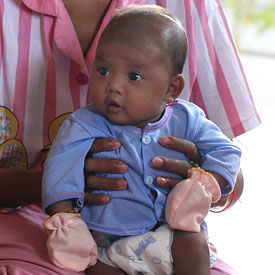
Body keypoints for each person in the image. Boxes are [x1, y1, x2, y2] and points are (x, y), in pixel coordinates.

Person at [0, 0, 260, 274]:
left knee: (192, 243)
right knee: (91, 265)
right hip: (96, 235)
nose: (113, 86)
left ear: (173, 88)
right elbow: (62, 169)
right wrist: (66, 209)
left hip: (170, 232)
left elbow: (230, 161)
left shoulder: (187, 118)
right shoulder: (85, 124)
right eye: (103, 71)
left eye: (134, 76)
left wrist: (203, 182)